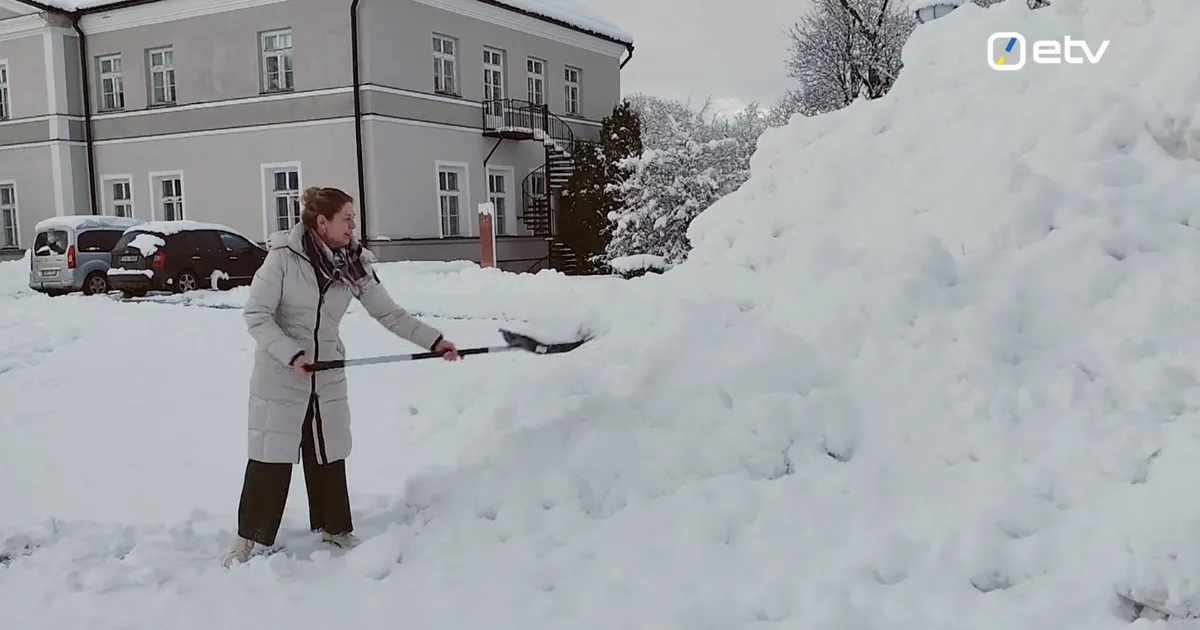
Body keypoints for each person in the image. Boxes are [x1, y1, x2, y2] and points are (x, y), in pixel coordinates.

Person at [222, 186, 460, 567]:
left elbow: (389, 313)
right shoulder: (283, 258)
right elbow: (256, 316)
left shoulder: (356, 264)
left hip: (326, 371)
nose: (353, 226)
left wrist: (433, 341)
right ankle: (248, 538)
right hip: (281, 373)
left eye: (354, 218)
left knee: (328, 452)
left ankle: (334, 528)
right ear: (322, 223)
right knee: (271, 457)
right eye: (346, 218)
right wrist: (291, 353)